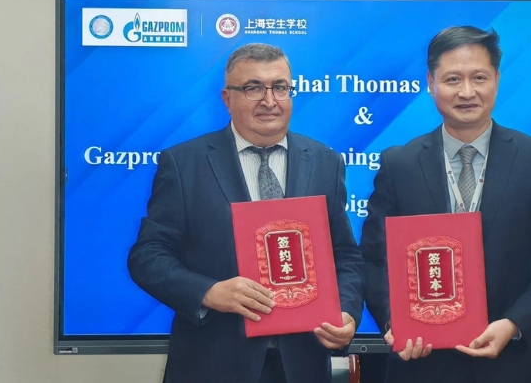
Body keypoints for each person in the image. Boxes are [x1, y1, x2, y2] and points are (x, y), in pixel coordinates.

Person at [359, 26, 531, 382]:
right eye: (452, 79)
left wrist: (514, 323)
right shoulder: (399, 164)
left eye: (479, 77)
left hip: (515, 363)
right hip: (422, 364)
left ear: (496, 79)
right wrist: (395, 321)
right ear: (431, 82)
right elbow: (373, 259)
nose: (467, 92)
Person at [128, 43, 364, 383]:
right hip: (212, 363)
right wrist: (208, 292)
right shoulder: (184, 163)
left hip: (302, 362)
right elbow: (147, 256)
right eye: (253, 88)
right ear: (227, 98)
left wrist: (347, 312)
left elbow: (345, 255)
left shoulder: (325, 161)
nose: (269, 101)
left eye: (280, 87)